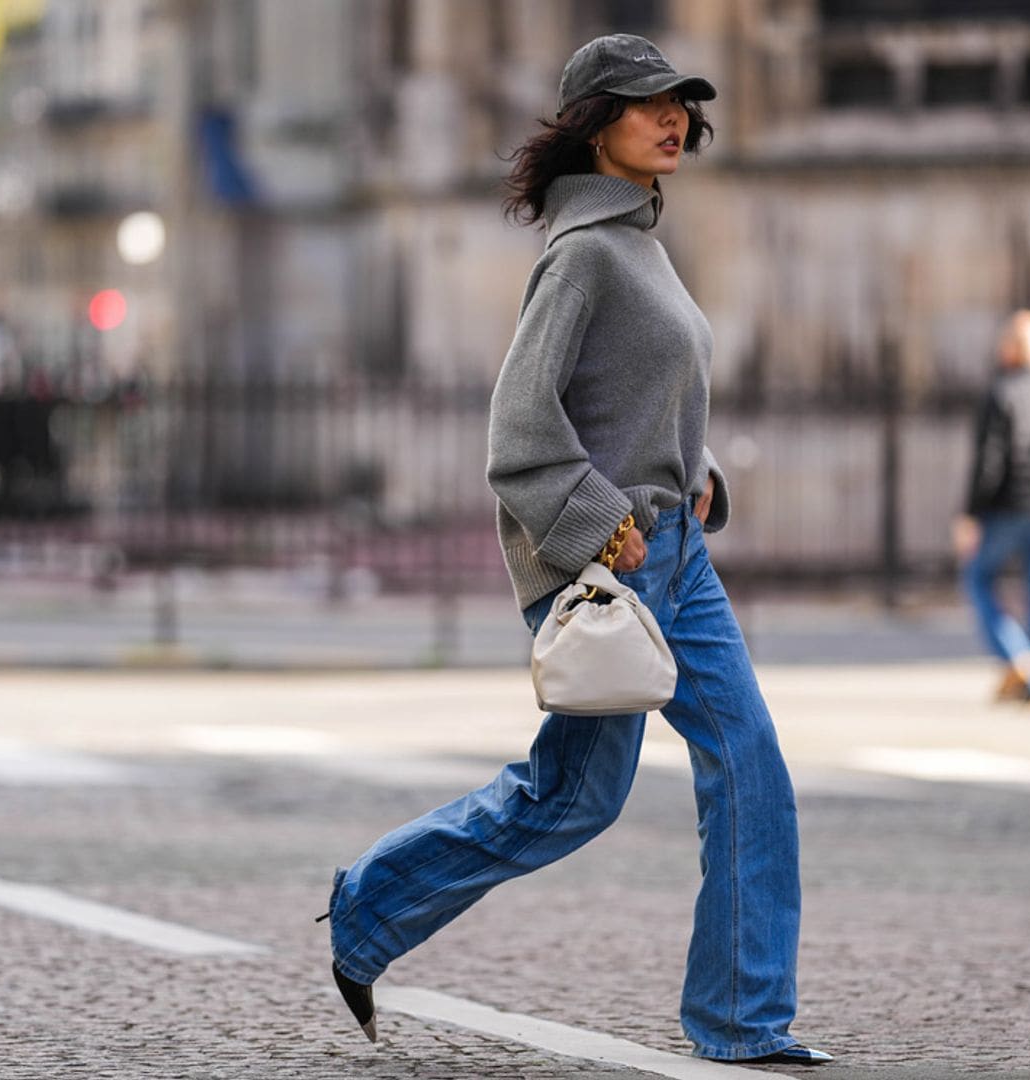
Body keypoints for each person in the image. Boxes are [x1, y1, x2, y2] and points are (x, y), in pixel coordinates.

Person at [322, 33, 830, 1066]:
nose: (674, 116)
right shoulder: (585, 251)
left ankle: (742, 1020)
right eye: (649, 104)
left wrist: (699, 473)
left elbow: (643, 397)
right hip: (610, 568)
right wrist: (604, 519)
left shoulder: (641, 239)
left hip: (676, 553)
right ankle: (371, 907)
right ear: (596, 123)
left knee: (753, 769)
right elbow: (518, 432)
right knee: (573, 801)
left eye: (681, 103)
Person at [955, 309, 1030, 707]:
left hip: (1007, 506)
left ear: (1010, 350)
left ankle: (1018, 657)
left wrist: (971, 515)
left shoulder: (1001, 393)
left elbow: (989, 462)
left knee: (977, 576)